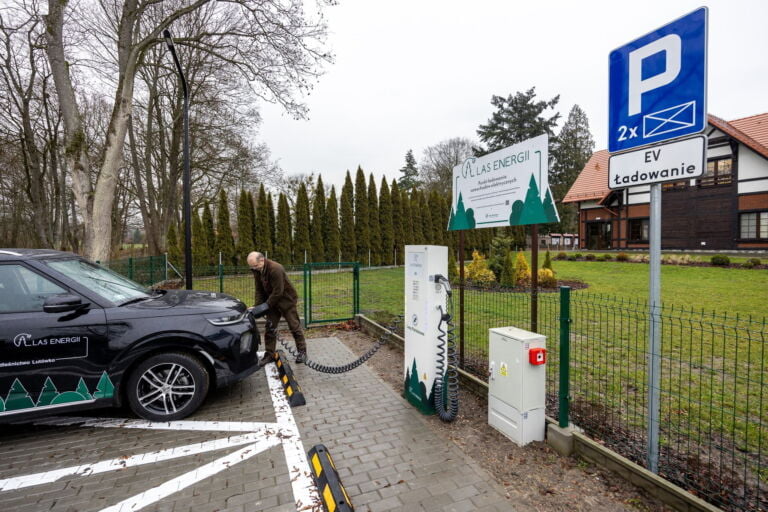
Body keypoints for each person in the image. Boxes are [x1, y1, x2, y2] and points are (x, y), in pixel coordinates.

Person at [247, 251, 307, 367]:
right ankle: (269, 354)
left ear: (262, 260)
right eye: (252, 267)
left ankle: (302, 352)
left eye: (255, 266)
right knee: (270, 328)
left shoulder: (275, 269)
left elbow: (278, 291)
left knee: (294, 326)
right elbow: (259, 289)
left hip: (286, 301)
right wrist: (257, 306)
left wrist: (266, 305)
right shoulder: (257, 270)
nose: (254, 268)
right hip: (272, 302)